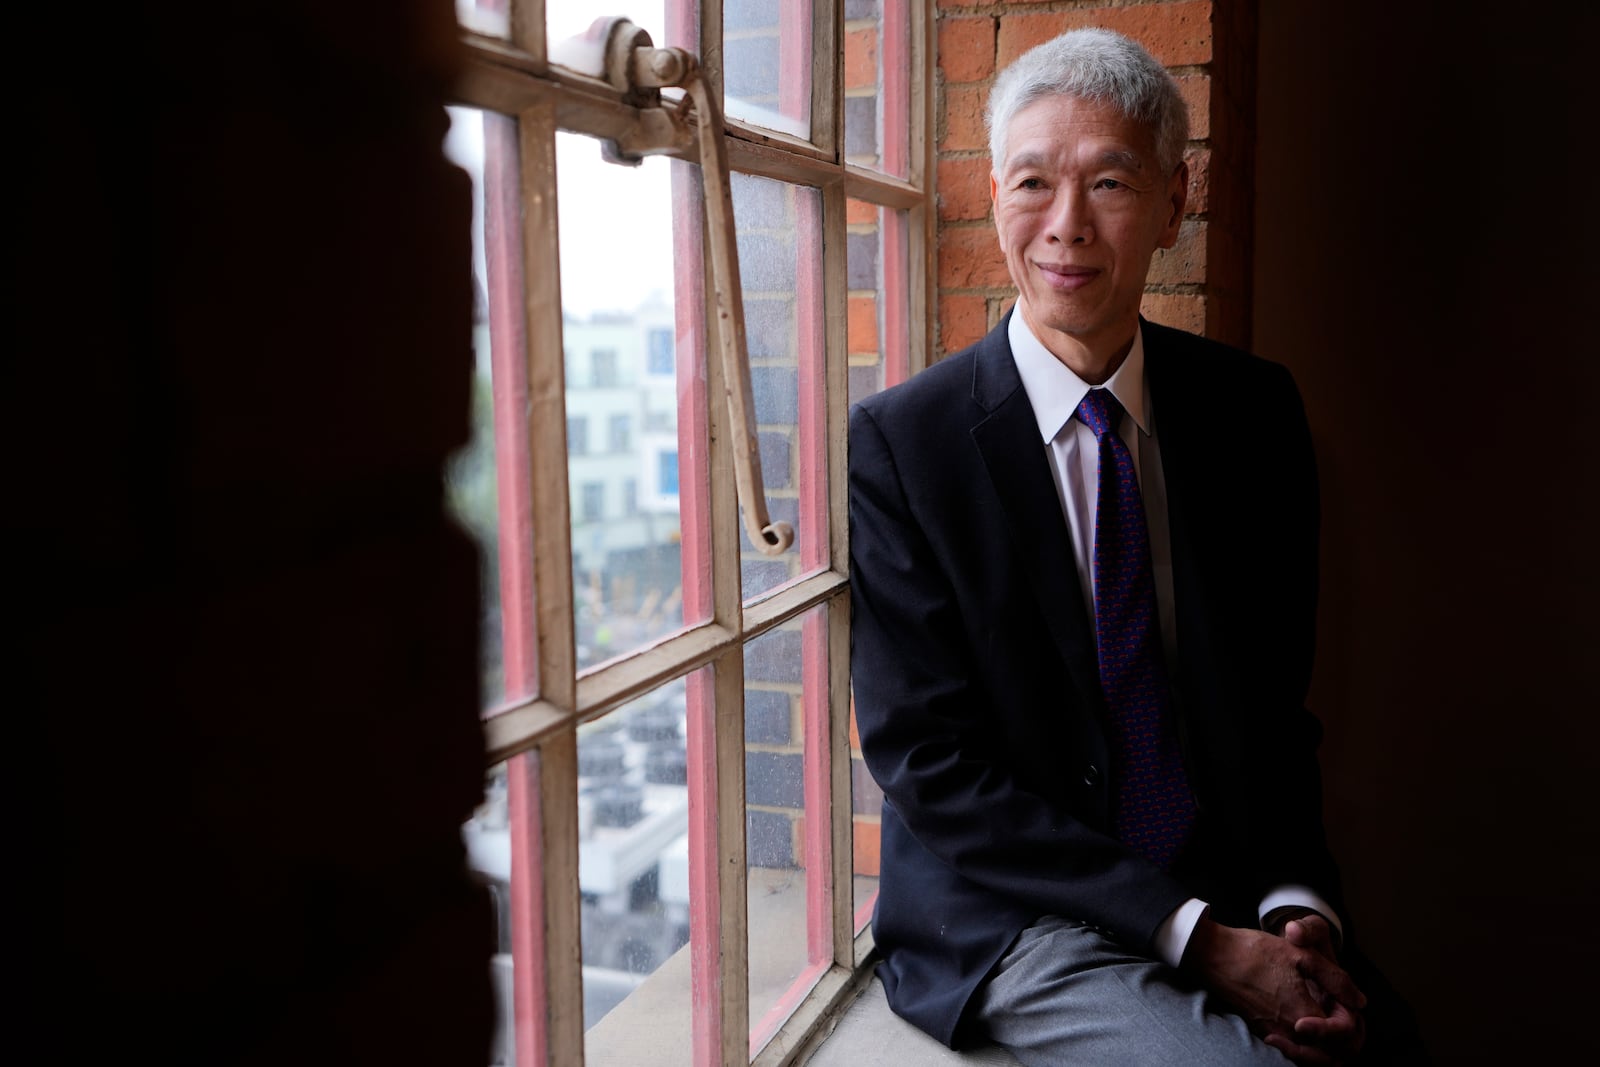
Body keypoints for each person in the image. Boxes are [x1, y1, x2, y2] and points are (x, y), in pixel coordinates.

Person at [849, 28, 1418, 1065]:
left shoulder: (1254, 414)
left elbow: (1272, 713)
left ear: (1173, 199)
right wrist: (1195, 938)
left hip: (1227, 879)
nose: (1065, 228)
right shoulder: (905, 442)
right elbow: (925, 760)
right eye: (1032, 182)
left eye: (1108, 181)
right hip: (1018, 913)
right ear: (991, 192)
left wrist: (1300, 908)